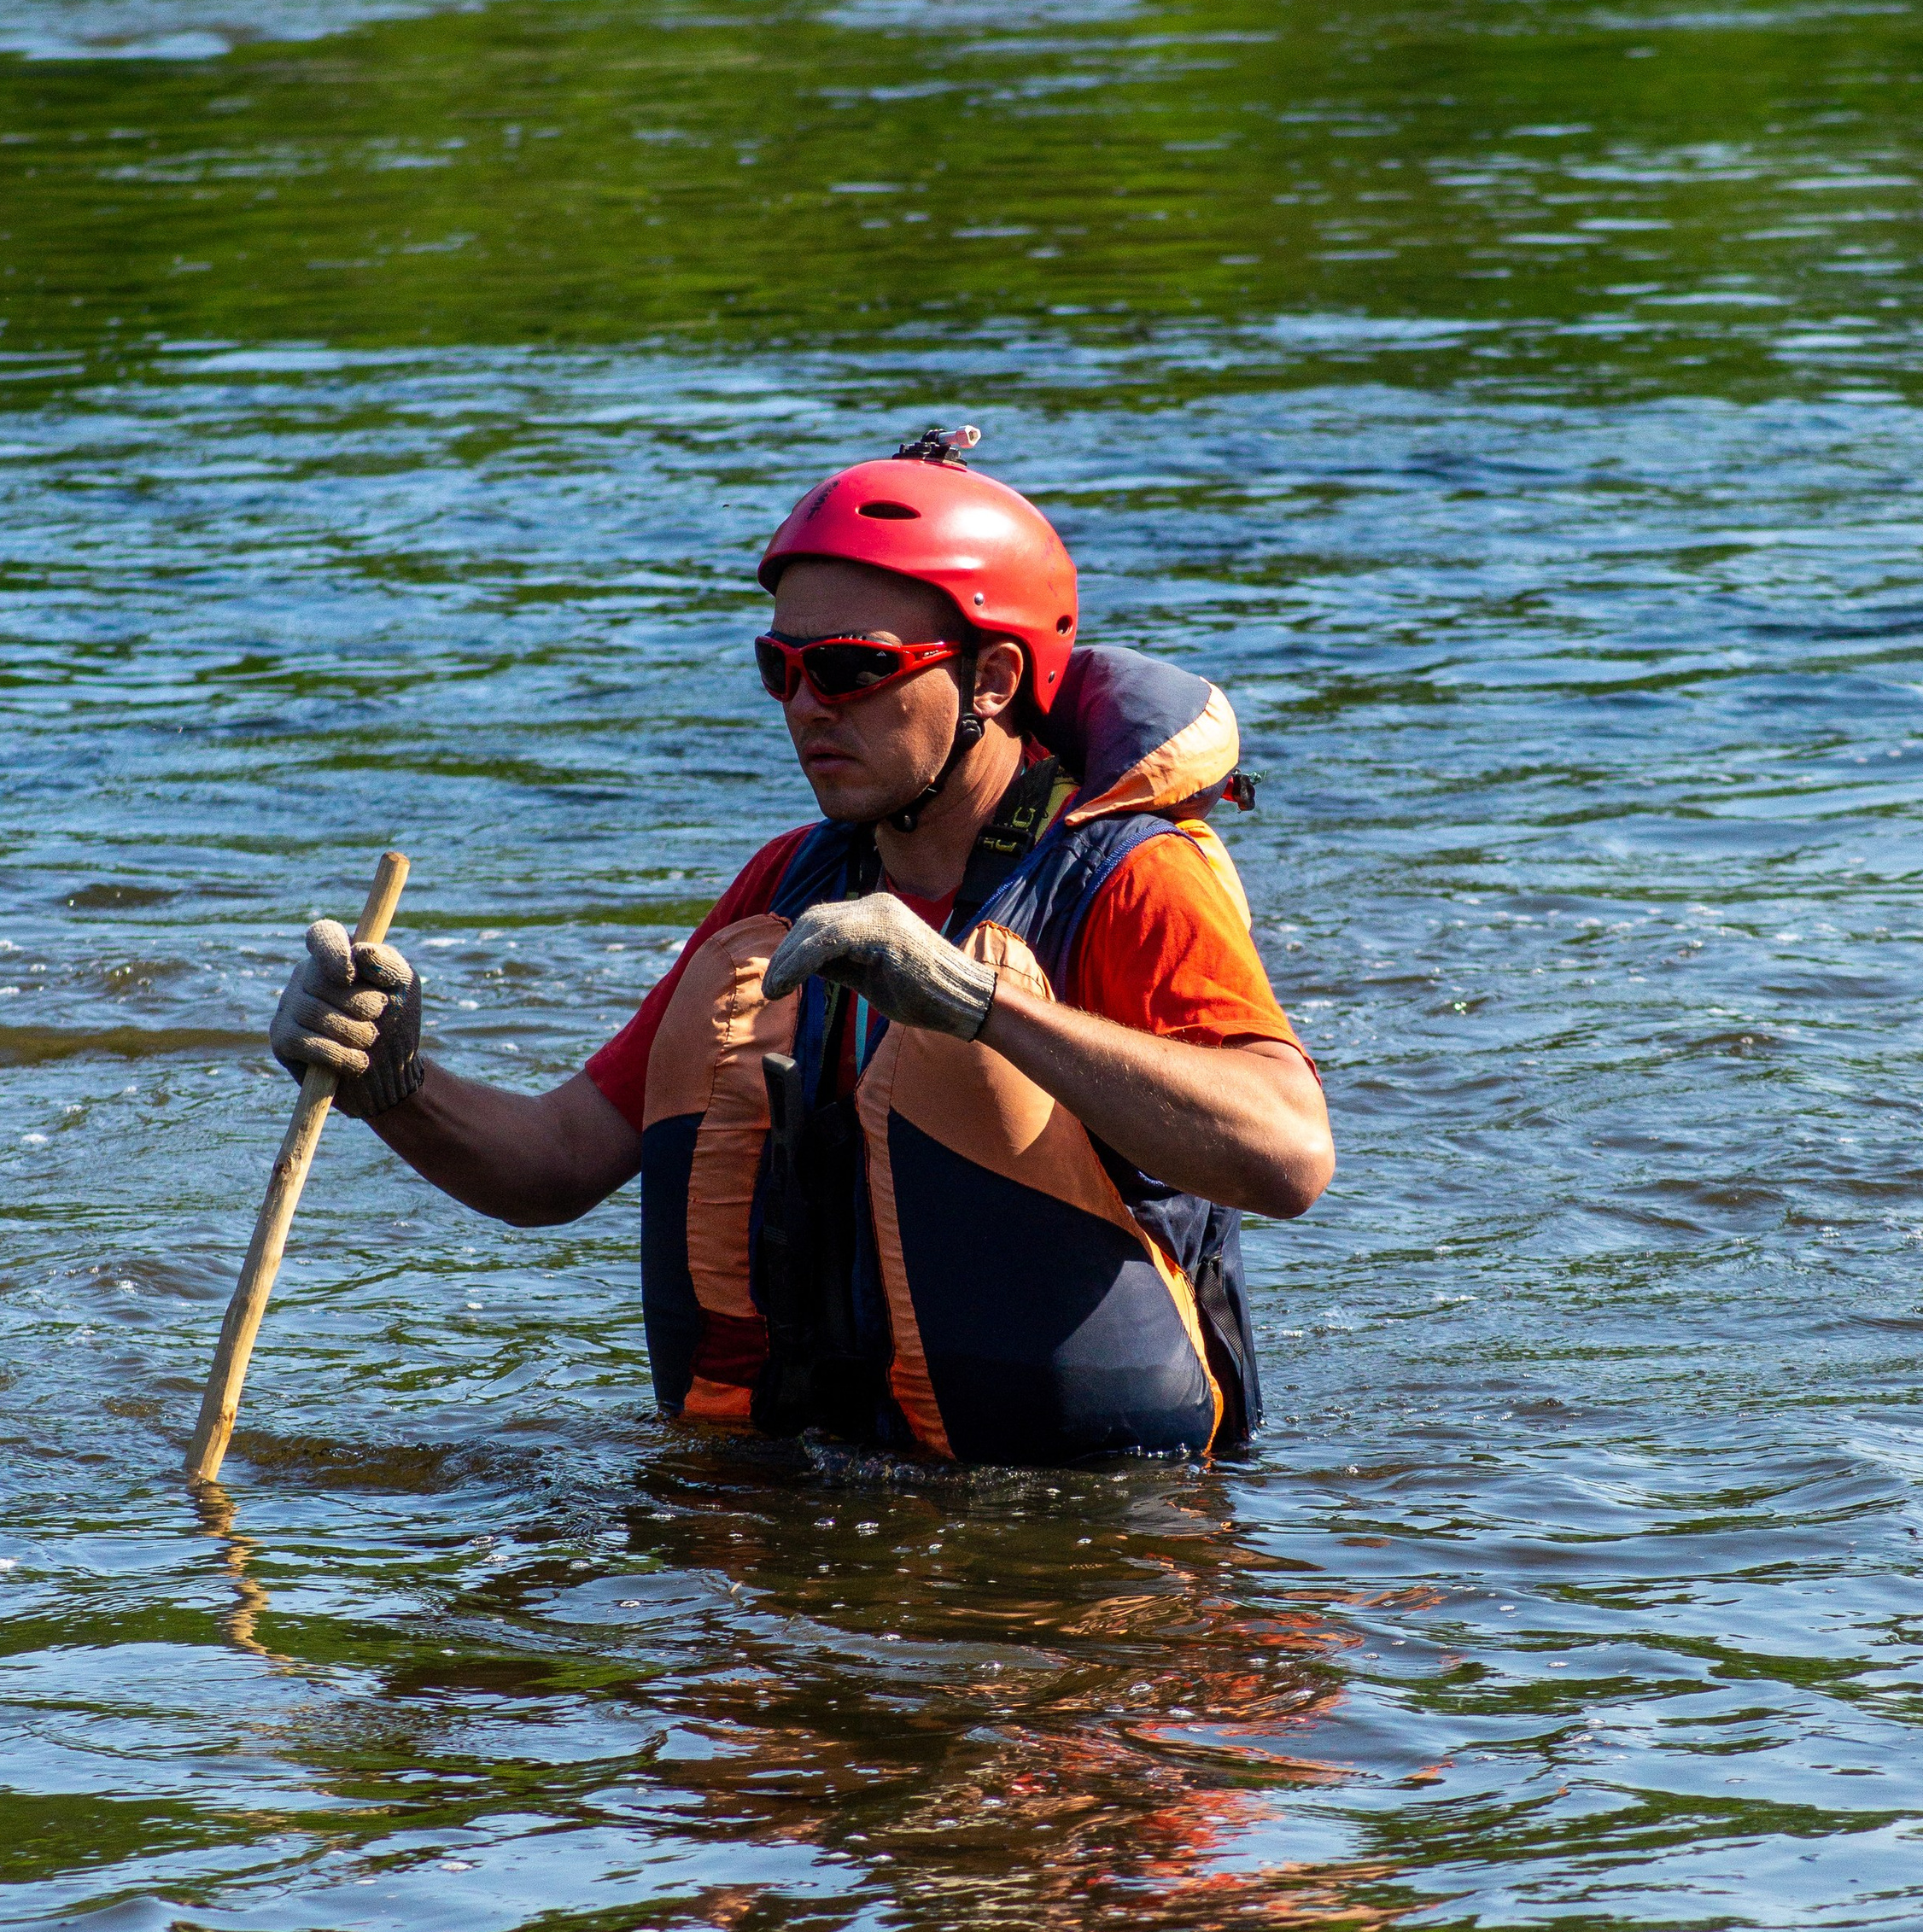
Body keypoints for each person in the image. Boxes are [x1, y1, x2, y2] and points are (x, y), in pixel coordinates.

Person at [269, 431, 1333, 1468]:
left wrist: (976, 1002)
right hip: (812, 1473)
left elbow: (1288, 1158)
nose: (806, 705)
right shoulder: (790, 881)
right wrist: (390, 1081)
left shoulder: (1130, 874)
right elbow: (558, 1162)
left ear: (996, 678)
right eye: (778, 666)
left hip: (1108, 1518)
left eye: (851, 665)